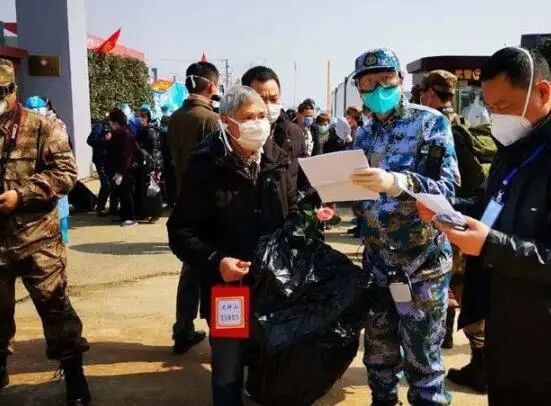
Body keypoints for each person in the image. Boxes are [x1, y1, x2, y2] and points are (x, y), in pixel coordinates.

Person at [419, 47, 551, 405]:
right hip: (504, 319)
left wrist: (489, 245)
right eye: (490, 107)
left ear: (542, 92)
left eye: (504, 106)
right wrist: (446, 211)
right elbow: (489, 206)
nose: (496, 117)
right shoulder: (512, 146)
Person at [167, 85, 298, 406]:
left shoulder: (277, 160)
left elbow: (292, 208)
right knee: (227, 370)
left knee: (271, 366)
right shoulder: (205, 166)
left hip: (273, 286)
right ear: (226, 122)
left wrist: (308, 220)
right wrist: (217, 260)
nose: (259, 123)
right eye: (249, 117)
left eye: (262, 116)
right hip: (227, 289)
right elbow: (180, 231)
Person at [350, 49, 459, 406]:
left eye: (385, 80)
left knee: (423, 359)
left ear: (400, 80)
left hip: (422, 264)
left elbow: (446, 190)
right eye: (368, 83)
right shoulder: (363, 134)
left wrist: (399, 182)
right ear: (359, 90)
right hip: (378, 265)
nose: (378, 89)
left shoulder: (430, 124)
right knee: (378, 355)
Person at [0, 59, 90, 405]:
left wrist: (21, 195)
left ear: (14, 90)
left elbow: (66, 173)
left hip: (38, 239)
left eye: (1, 92)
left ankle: (75, 377)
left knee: (56, 309)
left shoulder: (41, 127)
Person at [168, 61, 220, 354]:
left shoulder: (176, 117)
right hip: (210, 206)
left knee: (190, 268)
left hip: (183, 200)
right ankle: (220, 335)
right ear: (211, 86)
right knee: (216, 267)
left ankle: (183, 328)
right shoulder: (210, 120)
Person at [241, 66, 308, 196]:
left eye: (273, 99)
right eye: (261, 99)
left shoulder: (294, 132)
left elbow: (303, 178)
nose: (268, 106)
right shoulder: (234, 135)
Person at [108, 108, 138, 227]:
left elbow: (126, 155)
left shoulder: (123, 133)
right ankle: (124, 215)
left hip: (125, 170)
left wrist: (120, 172)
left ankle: (131, 217)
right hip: (121, 168)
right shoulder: (121, 133)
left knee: (126, 193)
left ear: (116, 122)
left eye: (111, 121)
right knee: (122, 193)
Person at [135, 108, 163, 222]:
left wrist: (155, 167)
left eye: (141, 117)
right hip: (149, 163)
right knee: (147, 189)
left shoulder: (149, 131)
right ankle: (148, 213)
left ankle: (155, 214)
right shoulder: (145, 129)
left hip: (151, 164)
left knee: (153, 189)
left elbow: (154, 149)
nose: (138, 119)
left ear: (146, 118)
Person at [87, 116, 115, 216]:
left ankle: (104, 207)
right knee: (106, 184)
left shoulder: (116, 127)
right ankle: (100, 208)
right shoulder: (100, 126)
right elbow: (90, 140)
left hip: (110, 160)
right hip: (101, 160)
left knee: (109, 184)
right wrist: (104, 139)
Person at [159, 105, 177, 208]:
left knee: (169, 181)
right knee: (172, 180)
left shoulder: (162, 133)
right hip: (170, 159)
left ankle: (171, 201)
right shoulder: (171, 133)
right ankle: (172, 201)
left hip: (166, 159)